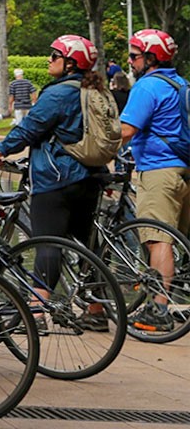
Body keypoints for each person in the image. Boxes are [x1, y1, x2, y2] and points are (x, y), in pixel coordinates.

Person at [0, 35, 110, 330]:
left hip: (56, 178)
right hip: (90, 176)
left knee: (48, 243)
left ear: (70, 64)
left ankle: (37, 312)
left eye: (54, 55)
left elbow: (29, 129)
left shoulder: (58, 93)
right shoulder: (93, 89)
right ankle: (96, 310)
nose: (49, 60)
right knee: (87, 246)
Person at [118, 28, 188, 334]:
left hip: (160, 171)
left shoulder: (147, 86)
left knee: (159, 240)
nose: (130, 61)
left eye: (134, 56)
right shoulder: (180, 84)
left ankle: (159, 310)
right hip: (183, 169)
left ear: (151, 58)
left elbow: (125, 130)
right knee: (178, 240)